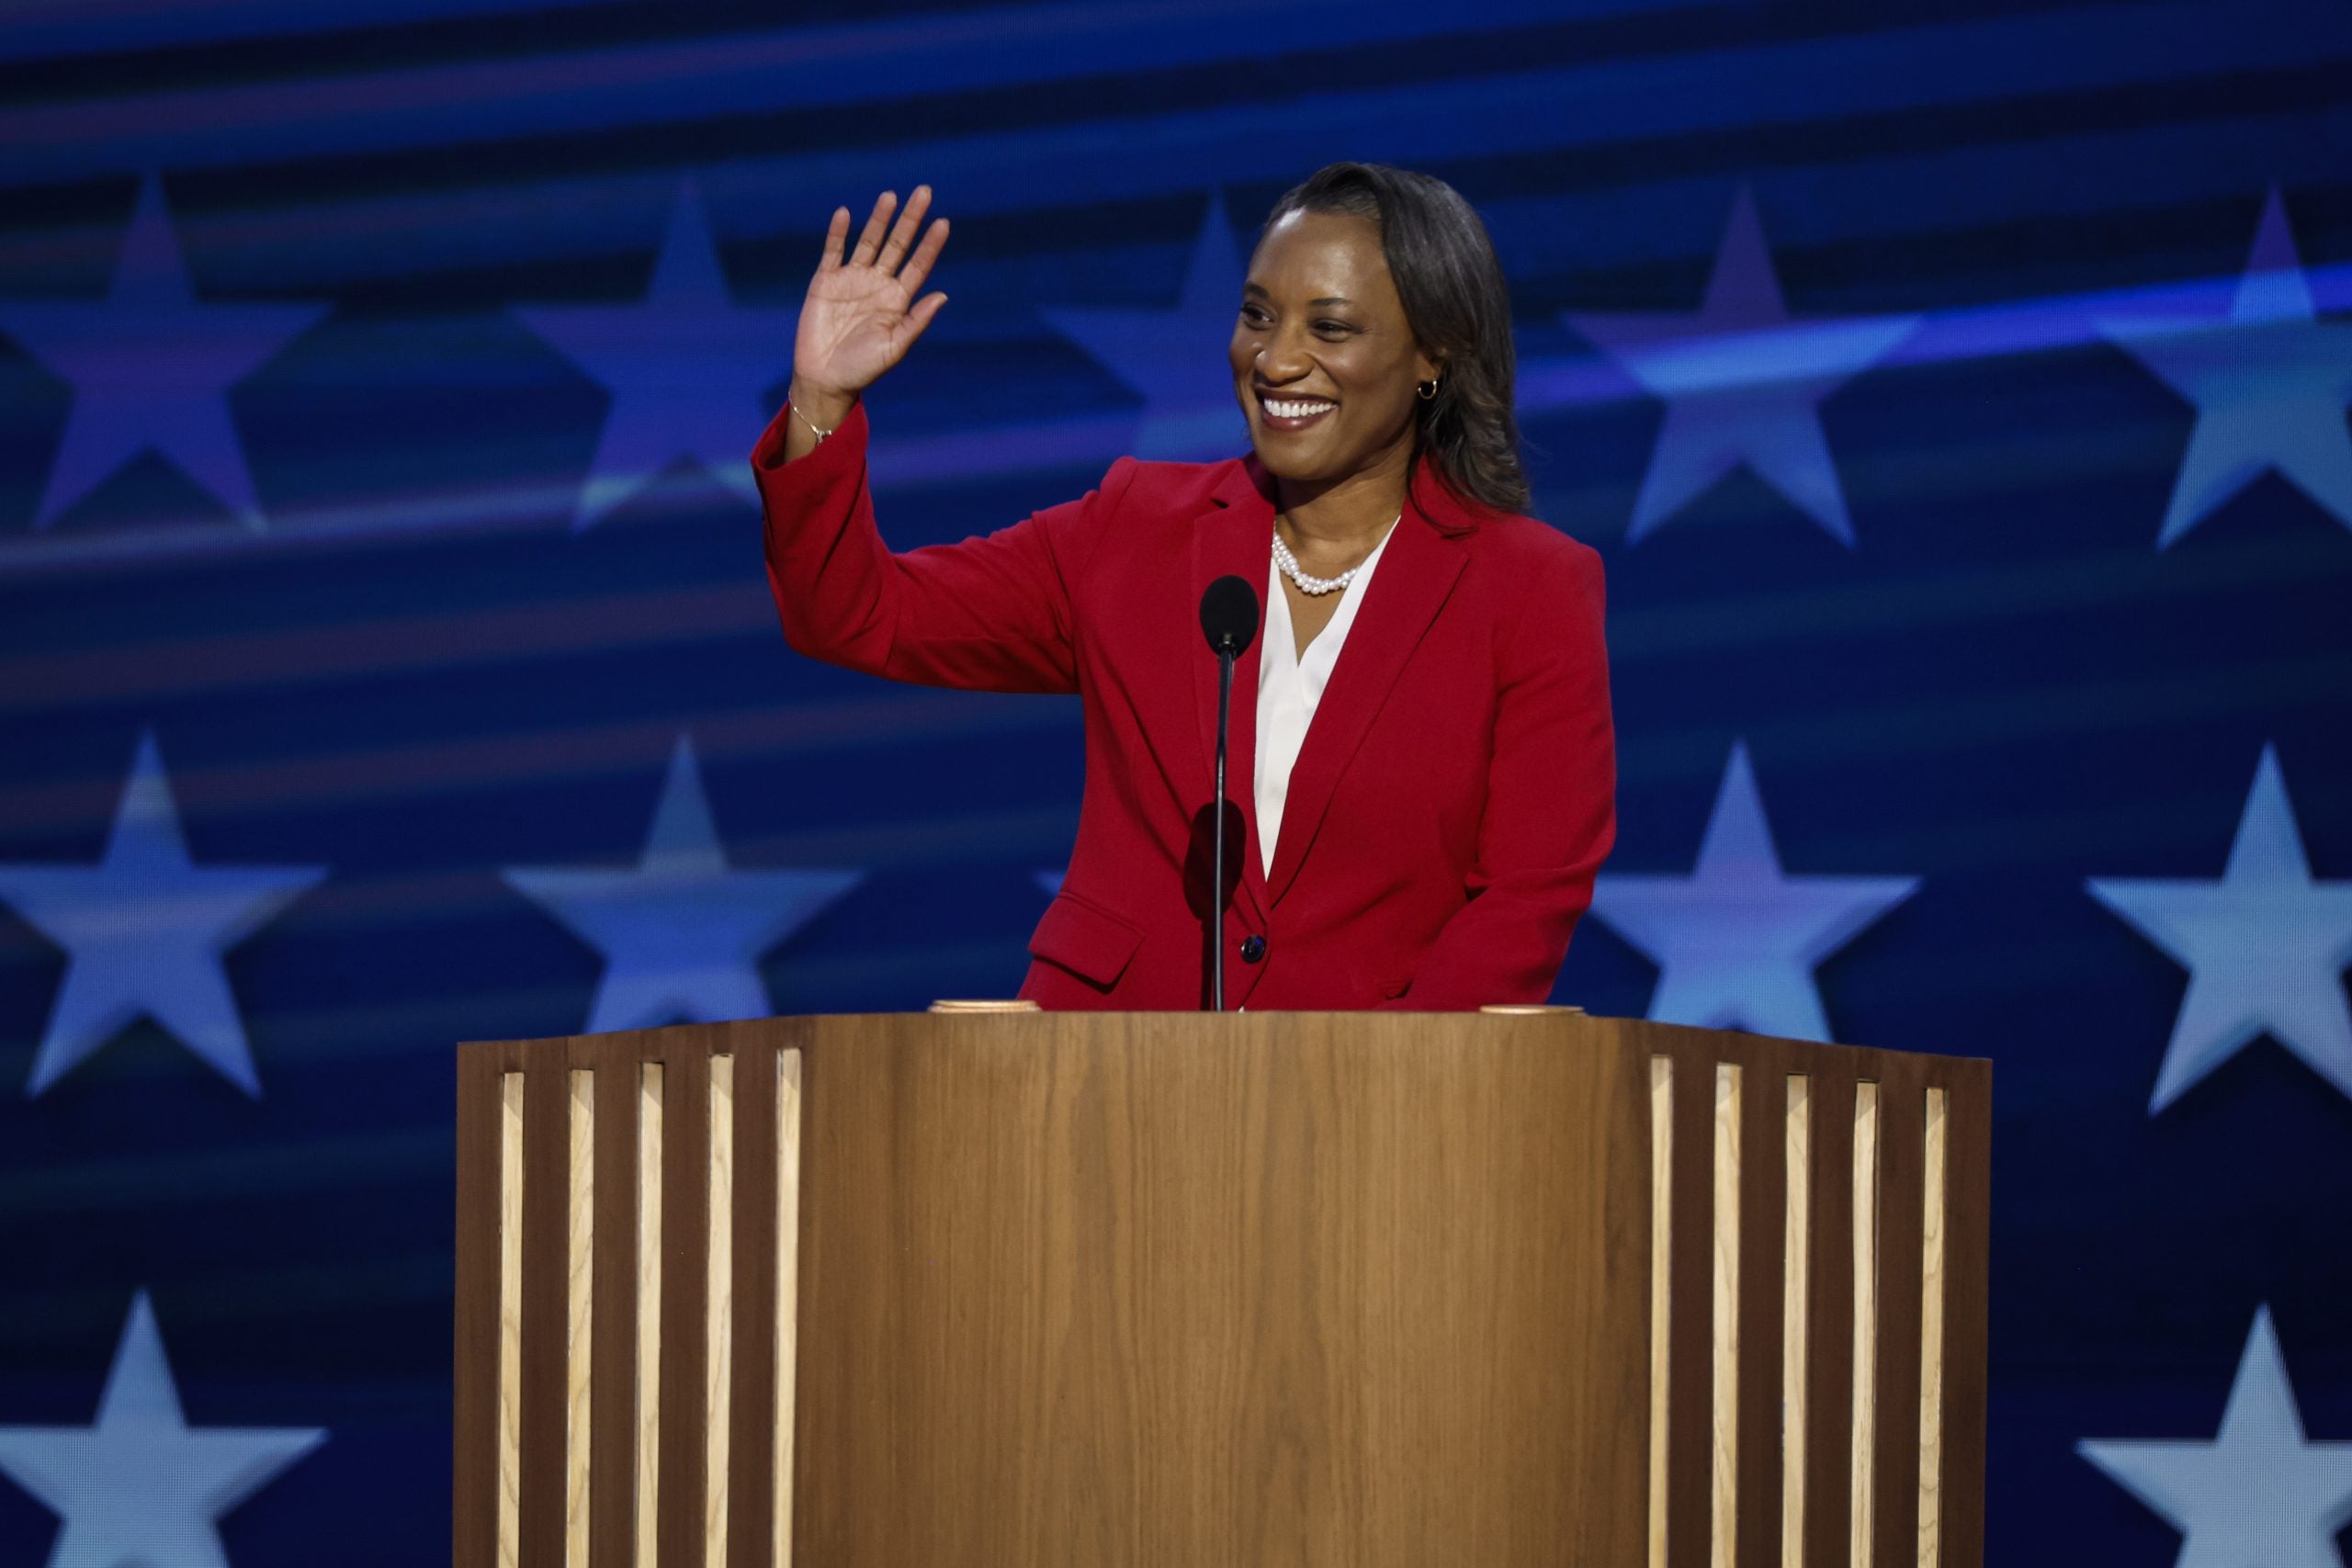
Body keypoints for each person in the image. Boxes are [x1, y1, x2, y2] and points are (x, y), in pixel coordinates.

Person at [753, 163, 1614, 1010]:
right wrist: (819, 400)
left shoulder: (1530, 589)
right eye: (1257, 316)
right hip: (1102, 1085)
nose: (1277, 360)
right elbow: (860, 615)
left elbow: (1526, 901)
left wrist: (1376, 1099)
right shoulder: (1136, 530)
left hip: (1369, 1109)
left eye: (1331, 327)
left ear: (1434, 354)